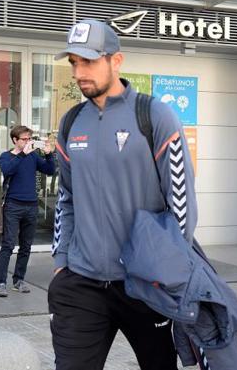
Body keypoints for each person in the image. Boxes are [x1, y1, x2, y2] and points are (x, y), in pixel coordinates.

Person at [49, 19, 201, 370]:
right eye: (73, 62)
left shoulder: (154, 115)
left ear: (116, 61)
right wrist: (61, 263)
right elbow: (66, 198)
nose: (78, 72)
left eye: (88, 61)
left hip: (144, 286)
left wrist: (167, 273)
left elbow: (181, 202)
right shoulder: (71, 123)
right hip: (82, 283)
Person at [0, 126, 55, 297]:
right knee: (8, 245)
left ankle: (18, 280)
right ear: (15, 140)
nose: (28, 142)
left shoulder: (33, 157)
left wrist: (49, 154)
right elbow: (8, 170)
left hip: (31, 206)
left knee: (26, 246)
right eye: (24, 139)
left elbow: (50, 170)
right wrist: (22, 154)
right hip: (13, 205)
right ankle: (0, 283)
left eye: (29, 139)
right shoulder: (6, 156)